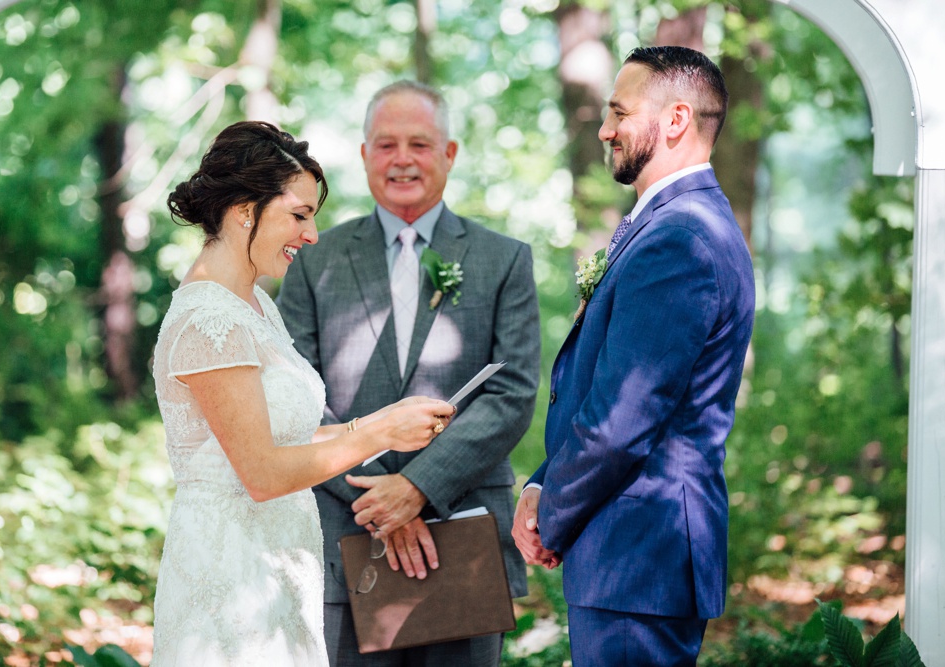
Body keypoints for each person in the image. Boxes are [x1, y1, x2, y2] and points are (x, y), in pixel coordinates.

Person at [150, 120, 455, 666]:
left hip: (278, 563)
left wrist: (386, 419)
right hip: (230, 575)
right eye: (299, 215)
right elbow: (262, 473)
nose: (311, 235)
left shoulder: (255, 306)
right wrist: (380, 433)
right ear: (245, 208)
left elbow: (282, 436)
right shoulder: (206, 320)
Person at [277, 81, 540, 666]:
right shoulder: (312, 257)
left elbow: (512, 392)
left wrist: (418, 489)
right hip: (347, 534)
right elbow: (293, 395)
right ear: (365, 153)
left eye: (419, 144)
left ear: (448, 153)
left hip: (463, 530)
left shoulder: (504, 259)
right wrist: (378, 500)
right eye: (386, 143)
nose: (402, 159)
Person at [512, 46, 755, 666]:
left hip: (638, 557)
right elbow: (605, 390)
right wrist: (541, 484)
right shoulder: (675, 224)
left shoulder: (682, 238)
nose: (604, 129)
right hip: (630, 556)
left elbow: (625, 416)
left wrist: (551, 512)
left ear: (675, 120)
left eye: (619, 112)